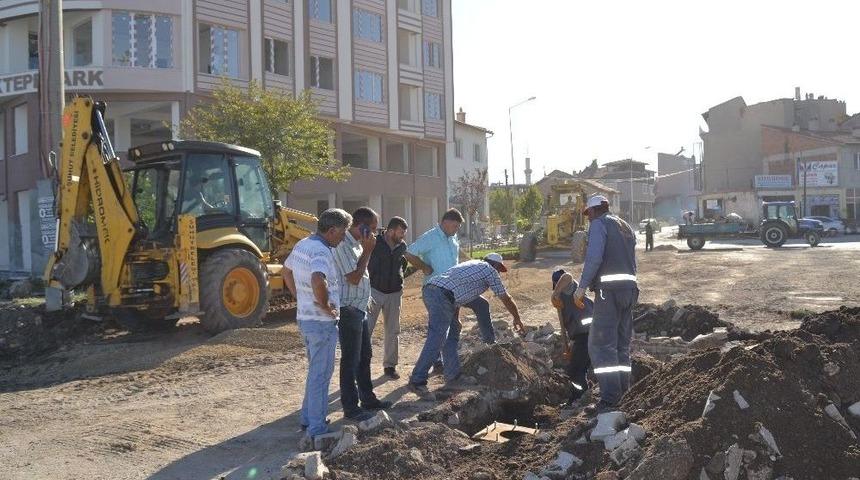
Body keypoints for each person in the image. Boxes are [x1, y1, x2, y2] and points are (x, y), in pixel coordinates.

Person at [407, 254, 524, 400]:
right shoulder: (489, 270)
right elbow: (505, 297)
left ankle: (455, 373)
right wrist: (517, 318)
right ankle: (417, 380)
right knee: (438, 336)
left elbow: (457, 291)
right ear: (495, 266)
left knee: (477, 308)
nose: (498, 273)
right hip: (440, 295)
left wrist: (455, 319)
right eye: (499, 270)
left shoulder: (472, 265)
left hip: (435, 290)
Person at [282, 208, 350, 441]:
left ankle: (308, 418)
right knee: (321, 375)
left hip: (305, 319)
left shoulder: (302, 245)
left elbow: (286, 271)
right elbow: (317, 278)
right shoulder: (321, 251)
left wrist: (298, 297)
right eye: (342, 233)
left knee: (315, 372)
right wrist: (325, 306)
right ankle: (317, 429)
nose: (343, 238)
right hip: (321, 323)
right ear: (331, 230)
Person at [574, 195, 638, 433]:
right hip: (629, 290)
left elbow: (594, 257)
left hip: (608, 292)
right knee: (621, 345)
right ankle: (623, 392)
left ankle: (610, 399)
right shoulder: (624, 226)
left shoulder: (599, 225)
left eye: (588, 214)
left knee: (601, 346)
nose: (588, 218)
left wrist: (581, 288)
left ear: (593, 211)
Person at [405, 209, 498, 349]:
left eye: (458, 227)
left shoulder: (453, 238)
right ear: (446, 222)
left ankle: (490, 345)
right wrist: (424, 267)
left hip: (456, 289)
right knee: (441, 326)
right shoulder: (431, 237)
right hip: (436, 291)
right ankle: (437, 360)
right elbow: (409, 252)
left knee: (481, 305)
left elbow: (457, 259)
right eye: (455, 226)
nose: (456, 230)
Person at [332, 207, 392, 422]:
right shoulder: (343, 245)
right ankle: (351, 407)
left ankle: (368, 398)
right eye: (373, 229)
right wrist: (368, 251)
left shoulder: (358, 244)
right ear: (361, 226)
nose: (375, 234)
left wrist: (365, 248)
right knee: (351, 359)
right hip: (348, 309)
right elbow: (354, 278)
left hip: (360, 308)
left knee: (364, 356)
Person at [367, 217, 409, 380]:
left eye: (404, 232)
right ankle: (361, 365)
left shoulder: (402, 246)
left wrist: (400, 278)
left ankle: (390, 366)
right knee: (367, 330)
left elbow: (402, 264)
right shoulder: (374, 243)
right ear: (391, 231)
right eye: (400, 232)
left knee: (393, 330)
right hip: (374, 291)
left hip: (395, 293)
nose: (403, 236)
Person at [551, 268, 594, 405]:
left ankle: (579, 398)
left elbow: (567, 276)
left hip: (587, 334)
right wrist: (569, 348)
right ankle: (583, 395)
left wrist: (555, 293)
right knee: (580, 368)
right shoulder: (564, 298)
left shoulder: (569, 288)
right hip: (584, 336)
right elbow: (568, 328)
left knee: (575, 370)